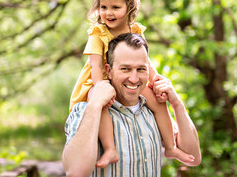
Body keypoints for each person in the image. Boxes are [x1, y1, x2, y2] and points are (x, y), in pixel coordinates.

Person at [69, 0, 193, 168]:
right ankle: (110, 149)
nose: (108, 13)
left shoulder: (135, 30)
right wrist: (101, 88)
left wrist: (157, 81)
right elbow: (95, 66)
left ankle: (170, 146)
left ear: (129, 7)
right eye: (103, 7)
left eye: (115, 7)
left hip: (129, 78)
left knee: (159, 102)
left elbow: (145, 62)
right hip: (100, 78)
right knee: (98, 101)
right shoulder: (97, 33)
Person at [62, 33, 201, 176]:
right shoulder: (87, 111)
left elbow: (193, 158)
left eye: (141, 69)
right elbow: (75, 172)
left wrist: (177, 103)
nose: (134, 79)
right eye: (125, 69)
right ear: (109, 71)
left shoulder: (154, 112)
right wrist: (95, 104)